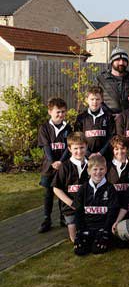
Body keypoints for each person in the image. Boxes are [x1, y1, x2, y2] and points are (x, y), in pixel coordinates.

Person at [38, 97, 72, 233]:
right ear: (50, 112)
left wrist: (61, 162)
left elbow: (68, 148)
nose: (60, 115)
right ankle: (47, 219)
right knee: (48, 193)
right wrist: (53, 162)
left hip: (62, 165)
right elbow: (46, 146)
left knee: (62, 191)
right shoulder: (44, 128)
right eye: (58, 112)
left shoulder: (68, 128)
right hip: (48, 166)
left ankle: (63, 216)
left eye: (63, 112)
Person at [73, 155, 119, 256]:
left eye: (101, 169)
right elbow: (78, 212)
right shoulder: (83, 189)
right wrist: (80, 231)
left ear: (106, 170)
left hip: (102, 227)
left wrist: (106, 231)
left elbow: (112, 212)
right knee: (80, 250)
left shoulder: (110, 188)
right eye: (95, 169)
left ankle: (100, 237)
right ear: (89, 171)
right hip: (87, 227)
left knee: (97, 249)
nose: (98, 172)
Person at [52, 132, 89, 242]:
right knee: (76, 239)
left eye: (82, 147)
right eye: (75, 148)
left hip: (88, 207)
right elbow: (56, 189)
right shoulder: (65, 166)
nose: (79, 151)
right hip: (70, 208)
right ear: (69, 148)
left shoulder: (91, 165)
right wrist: (72, 203)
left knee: (89, 234)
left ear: (86, 146)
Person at [93, 47, 129, 115]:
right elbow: (94, 99)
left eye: (124, 60)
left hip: (128, 120)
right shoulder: (101, 80)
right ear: (112, 61)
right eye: (118, 60)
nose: (121, 63)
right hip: (107, 120)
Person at [74, 86, 115, 159]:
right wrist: (88, 154)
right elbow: (78, 138)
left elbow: (111, 137)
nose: (95, 102)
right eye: (92, 99)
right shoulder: (81, 118)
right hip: (86, 157)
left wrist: (101, 153)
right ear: (87, 100)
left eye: (97, 99)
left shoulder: (108, 117)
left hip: (105, 156)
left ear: (102, 100)